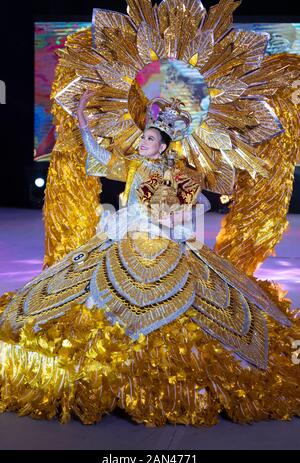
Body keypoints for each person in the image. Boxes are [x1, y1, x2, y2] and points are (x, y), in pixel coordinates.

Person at [0, 91, 299, 427]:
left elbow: (191, 207)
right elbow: (97, 153)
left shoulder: (179, 173)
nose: (143, 142)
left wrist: (170, 215)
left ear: (163, 146)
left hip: (163, 240)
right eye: (143, 137)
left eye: (150, 139)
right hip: (125, 233)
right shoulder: (131, 165)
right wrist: (83, 117)